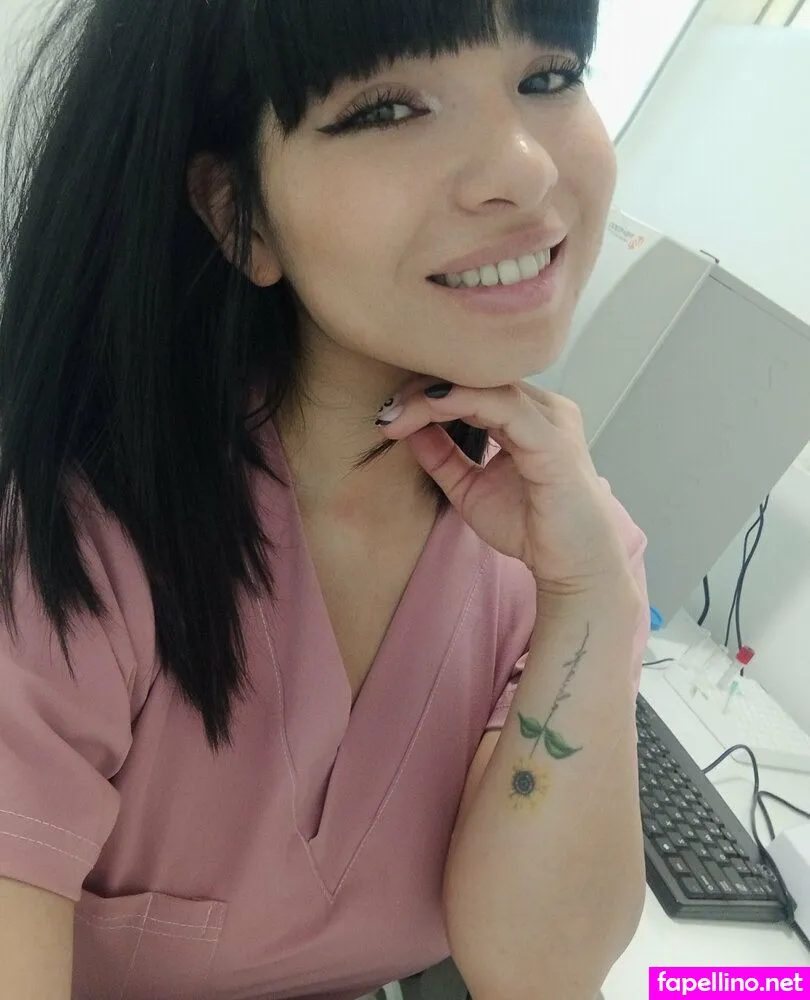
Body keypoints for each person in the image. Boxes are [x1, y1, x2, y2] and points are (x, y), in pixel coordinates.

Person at [0, 0, 651, 998]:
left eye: (550, 76)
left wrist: (591, 601)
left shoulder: (565, 550)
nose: (525, 170)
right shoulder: (70, 536)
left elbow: (539, 970)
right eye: (389, 108)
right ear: (240, 213)